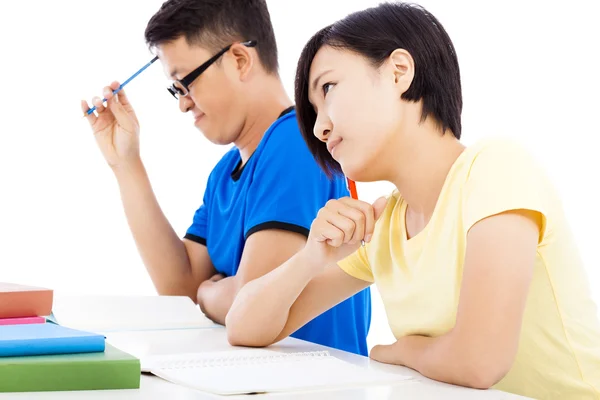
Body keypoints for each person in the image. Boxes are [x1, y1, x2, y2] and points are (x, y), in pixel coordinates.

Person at [225, 2, 600, 399]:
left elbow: (479, 362)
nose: (319, 127)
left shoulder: (494, 168)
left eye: (328, 89)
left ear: (398, 71)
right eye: (313, 112)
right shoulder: (385, 225)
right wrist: (309, 258)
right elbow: (244, 327)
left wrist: (400, 351)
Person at [80, 0, 371, 356]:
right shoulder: (224, 173)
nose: (183, 104)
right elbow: (180, 289)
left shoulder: (294, 144)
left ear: (239, 59)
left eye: (184, 83)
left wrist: (208, 292)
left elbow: (245, 301)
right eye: (175, 90)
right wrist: (126, 164)